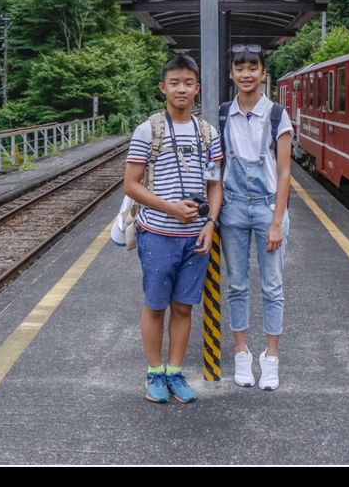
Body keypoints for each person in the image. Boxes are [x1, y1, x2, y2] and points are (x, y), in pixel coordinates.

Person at [124, 54, 222, 404]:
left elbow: (215, 184)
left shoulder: (209, 132)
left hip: (195, 236)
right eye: (175, 83)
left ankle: (174, 372)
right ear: (164, 88)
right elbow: (131, 184)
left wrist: (210, 223)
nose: (182, 89)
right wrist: (170, 208)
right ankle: (153, 373)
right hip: (157, 233)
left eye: (188, 83)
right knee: (155, 306)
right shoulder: (148, 130)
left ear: (197, 88)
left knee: (184, 307)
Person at [219, 44, 293, 391]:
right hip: (232, 207)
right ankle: (242, 352)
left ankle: (271, 357)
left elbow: (283, 173)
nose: (246, 74)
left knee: (272, 285)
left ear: (264, 74)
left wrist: (277, 220)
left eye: (253, 68)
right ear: (231, 74)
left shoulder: (278, 115)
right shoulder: (222, 115)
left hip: (267, 208)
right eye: (240, 68)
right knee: (236, 284)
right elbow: (216, 168)